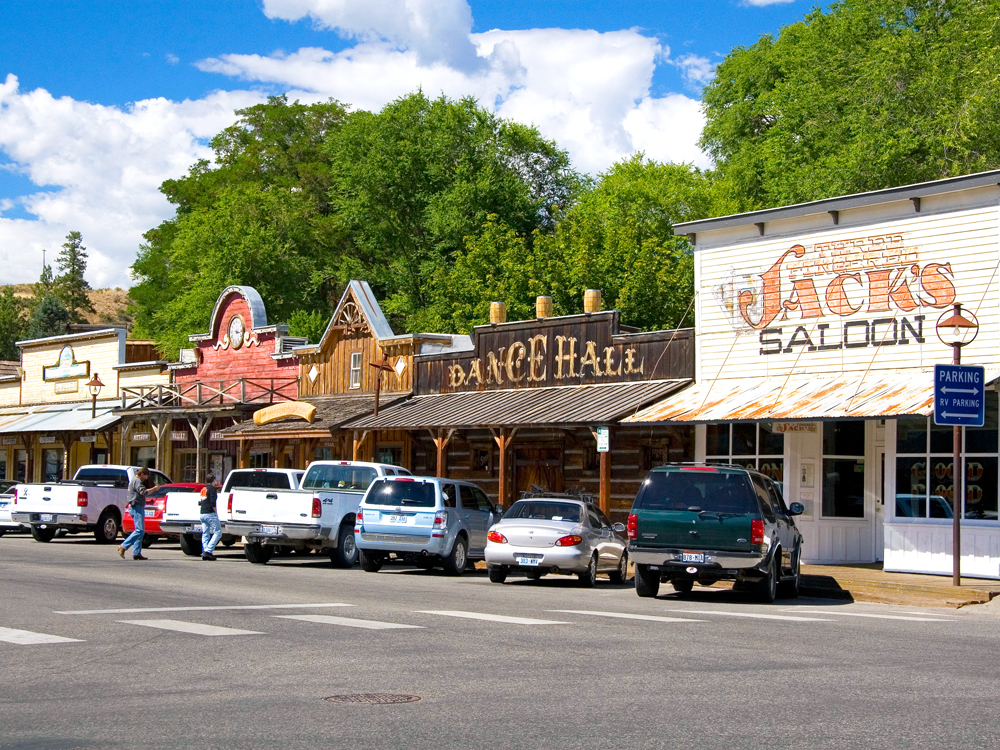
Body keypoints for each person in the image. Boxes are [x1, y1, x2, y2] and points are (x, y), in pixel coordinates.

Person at [118, 467, 156, 561]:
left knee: (140, 531)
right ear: (142, 474)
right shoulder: (137, 481)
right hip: (136, 507)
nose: (146, 478)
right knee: (139, 530)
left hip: (135, 506)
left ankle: (136, 553)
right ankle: (123, 546)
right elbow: (143, 492)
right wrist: (154, 489)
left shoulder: (134, 480)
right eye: (146, 475)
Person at [200, 472, 222, 561]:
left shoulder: (203, 488)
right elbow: (213, 501)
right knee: (218, 532)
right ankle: (208, 551)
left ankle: (205, 551)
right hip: (210, 513)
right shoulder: (212, 489)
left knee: (205, 533)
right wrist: (215, 510)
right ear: (213, 480)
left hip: (202, 513)